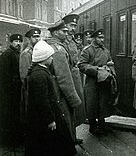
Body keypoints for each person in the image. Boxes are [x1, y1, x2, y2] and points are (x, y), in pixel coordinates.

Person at [24, 40, 77, 156]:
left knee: (42, 148)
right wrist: (50, 120)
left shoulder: (38, 72)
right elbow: (42, 101)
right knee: (41, 149)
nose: (52, 58)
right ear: (44, 58)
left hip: (40, 119)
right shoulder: (40, 75)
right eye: (50, 56)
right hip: (42, 120)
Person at [46, 20, 82, 145]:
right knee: (65, 117)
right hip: (60, 92)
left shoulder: (51, 46)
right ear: (55, 33)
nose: (67, 33)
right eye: (64, 31)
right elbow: (64, 77)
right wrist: (73, 98)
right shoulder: (58, 50)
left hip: (54, 89)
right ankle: (68, 148)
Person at [78, 29, 118, 135]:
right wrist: (97, 70)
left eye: (103, 38)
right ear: (94, 38)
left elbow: (110, 62)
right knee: (92, 103)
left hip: (104, 81)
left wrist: (109, 69)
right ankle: (92, 126)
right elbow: (81, 65)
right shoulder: (87, 50)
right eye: (99, 38)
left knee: (103, 102)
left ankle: (102, 123)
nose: (102, 40)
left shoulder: (106, 51)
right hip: (92, 81)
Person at [62, 14, 86, 144]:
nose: (73, 28)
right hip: (68, 77)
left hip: (75, 76)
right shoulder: (63, 40)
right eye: (71, 25)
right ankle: (69, 138)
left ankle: (73, 135)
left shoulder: (72, 40)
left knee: (76, 108)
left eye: (75, 26)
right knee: (68, 107)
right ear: (65, 25)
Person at [0, 34, 23, 143]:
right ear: (11, 42)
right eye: (15, 41)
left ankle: (15, 136)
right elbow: (4, 74)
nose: (18, 44)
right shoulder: (7, 54)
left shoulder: (18, 54)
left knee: (16, 112)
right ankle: (9, 138)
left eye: (20, 41)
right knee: (9, 113)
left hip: (16, 88)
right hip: (9, 90)